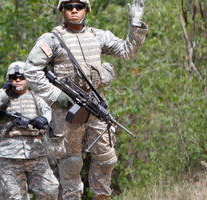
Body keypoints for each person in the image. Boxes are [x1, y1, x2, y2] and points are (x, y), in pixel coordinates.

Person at [23, 0, 147, 199]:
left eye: (78, 7)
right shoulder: (52, 39)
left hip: (94, 105)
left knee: (107, 160)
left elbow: (127, 51)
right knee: (71, 163)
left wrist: (136, 23)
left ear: (86, 10)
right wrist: (54, 95)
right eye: (69, 7)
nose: (74, 10)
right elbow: (31, 69)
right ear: (62, 10)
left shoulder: (98, 36)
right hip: (67, 111)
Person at [0, 61, 59, 200]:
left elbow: (50, 113)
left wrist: (44, 119)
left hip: (35, 152)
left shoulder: (36, 98)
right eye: (13, 77)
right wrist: (2, 93)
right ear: (8, 80)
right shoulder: (2, 99)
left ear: (27, 79)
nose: (17, 80)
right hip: (10, 157)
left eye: (21, 77)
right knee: (14, 196)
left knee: (49, 190)